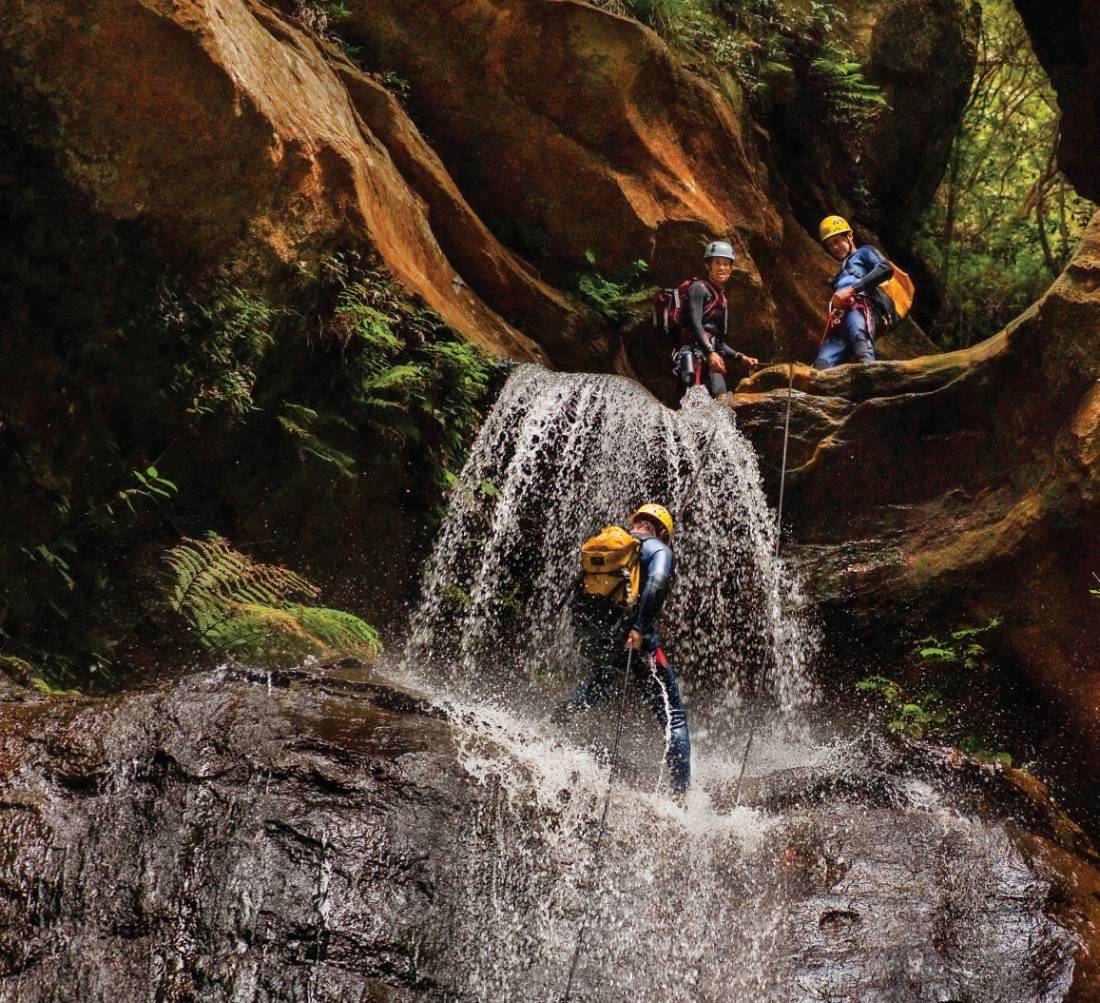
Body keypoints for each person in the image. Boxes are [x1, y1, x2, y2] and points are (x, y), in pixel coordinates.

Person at [557, 504, 691, 795]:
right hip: (630, 640)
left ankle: (558, 719)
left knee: (603, 687)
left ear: (636, 523)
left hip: (593, 638)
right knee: (673, 715)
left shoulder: (607, 546)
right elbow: (658, 581)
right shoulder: (658, 549)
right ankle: (682, 797)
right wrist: (639, 628)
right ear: (663, 532)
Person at [673, 241, 758, 399]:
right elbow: (694, 322)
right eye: (717, 263)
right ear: (708, 265)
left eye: (726, 264)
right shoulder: (698, 288)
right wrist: (710, 352)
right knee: (692, 402)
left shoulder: (722, 299)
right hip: (692, 354)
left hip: (711, 357)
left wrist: (740, 357)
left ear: (731, 269)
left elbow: (718, 342)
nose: (722, 268)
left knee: (722, 400)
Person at [814, 215, 894, 370]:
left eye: (837, 241)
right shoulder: (839, 275)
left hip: (858, 309)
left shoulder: (865, 252)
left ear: (849, 235)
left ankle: (873, 381)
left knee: (861, 344)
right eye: (830, 245)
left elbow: (886, 268)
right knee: (821, 364)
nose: (834, 248)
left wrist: (852, 290)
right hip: (839, 319)